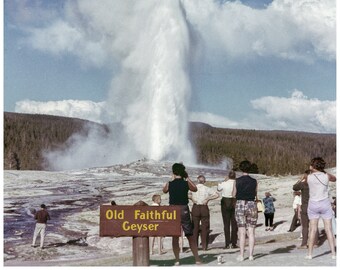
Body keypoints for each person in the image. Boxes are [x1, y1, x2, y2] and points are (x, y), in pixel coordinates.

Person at [163, 163, 202, 265]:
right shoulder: (185, 183)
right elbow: (195, 188)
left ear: (173, 172)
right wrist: (187, 178)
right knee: (189, 234)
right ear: (183, 172)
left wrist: (171, 179)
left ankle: (177, 260)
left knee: (175, 236)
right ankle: (197, 259)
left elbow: (164, 190)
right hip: (184, 209)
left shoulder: (170, 183)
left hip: (172, 210)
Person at [305, 157, 336, 260]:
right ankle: (333, 253)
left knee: (313, 229)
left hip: (313, 203)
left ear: (313, 166)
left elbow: (303, 182)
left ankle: (309, 254)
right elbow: (334, 179)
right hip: (325, 203)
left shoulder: (308, 177)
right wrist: (322, 171)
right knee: (329, 229)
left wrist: (311, 171)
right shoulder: (326, 175)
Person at [232, 160, 258, 262]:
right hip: (251, 204)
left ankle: (242, 255)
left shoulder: (236, 181)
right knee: (251, 231)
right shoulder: (255, 181)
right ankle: (251, 255)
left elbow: (234, 194)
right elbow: (255, 194)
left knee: (242, 231)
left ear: (241, 168)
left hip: (240, 204)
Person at [189, 175, 219, 250]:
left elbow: (188, 194)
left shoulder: (193, 188)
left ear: (197, 180)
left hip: (195, 206)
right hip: (204, 207)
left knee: (195, 227)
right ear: (204, 181)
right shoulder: (207, 188)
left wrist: (192, 198)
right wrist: (208, 198)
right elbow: (217, 195)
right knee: (205, 227)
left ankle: (195, 246)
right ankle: (204, 246)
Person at [293, 170, 319, 249]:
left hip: (305, 206)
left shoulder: (303, 184)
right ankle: (315, 243)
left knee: (305, 226)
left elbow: (294, 187)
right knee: (314, 226)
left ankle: (304, 244)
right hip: (314, 206)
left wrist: (301, 179)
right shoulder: (316, 184)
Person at [217, 170, 238, 249]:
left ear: (228, 176)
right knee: (234, 223)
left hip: (225, 201)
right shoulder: (236, 182)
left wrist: (223, 180)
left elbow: (218, 189)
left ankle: (227, 243)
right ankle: (234, 243)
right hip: (234, 200)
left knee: (226, 223)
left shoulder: (224, 183)